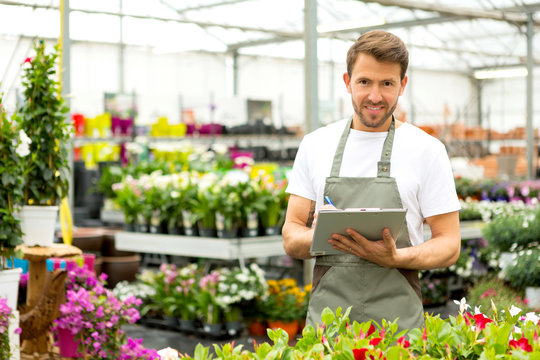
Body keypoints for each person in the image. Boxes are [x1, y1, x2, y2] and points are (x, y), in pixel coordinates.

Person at [282, 30, 461, 330]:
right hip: (330, 328)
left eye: (387, 83)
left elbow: (450, 243)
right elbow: (290, 236)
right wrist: (330, 235)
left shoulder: (427, 150)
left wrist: (396, 257)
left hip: (399, 329)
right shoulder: (315, 145)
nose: (375, 96)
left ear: (402, 85)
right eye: (364, 82)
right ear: (347, 81)